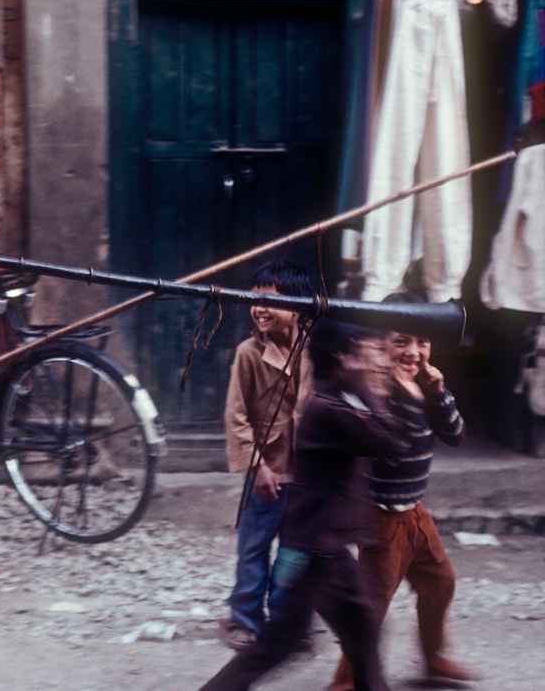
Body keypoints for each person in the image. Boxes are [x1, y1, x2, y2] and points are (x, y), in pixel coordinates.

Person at [199, 319, 410, 691]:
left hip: (321, 547)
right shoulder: (330, 409)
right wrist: (383, 392)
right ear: (344, 358)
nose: (377, 361)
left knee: (347, 634)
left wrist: (370, 388)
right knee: (293, 641)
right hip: (319, 551)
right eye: (367, 352)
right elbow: (391, 442)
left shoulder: (339, 401)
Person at [328, 292, 478, 690]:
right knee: (371, 608)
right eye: (401, 342)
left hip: (414, 511)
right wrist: (414, 397)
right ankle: (345, 681)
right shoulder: (376, 390)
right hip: (379, 518)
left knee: (441, 582)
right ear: (381, 344)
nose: (414, 352)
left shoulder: (424, 384)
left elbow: (456, 434)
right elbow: (397, 447)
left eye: (422, 342)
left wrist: (439, 391)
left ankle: (434, 659)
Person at [218, 260, 313, 650]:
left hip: (306, 473)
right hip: (266, 470)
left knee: (296, 554)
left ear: (297, 306)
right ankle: (244, 619)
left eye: (269, 301)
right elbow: (236, 416)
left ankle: (288, 622)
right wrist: (257, 467)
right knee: (254, 548)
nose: (258, 308)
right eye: (254, 300)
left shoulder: (316, 351)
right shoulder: (248, 354)